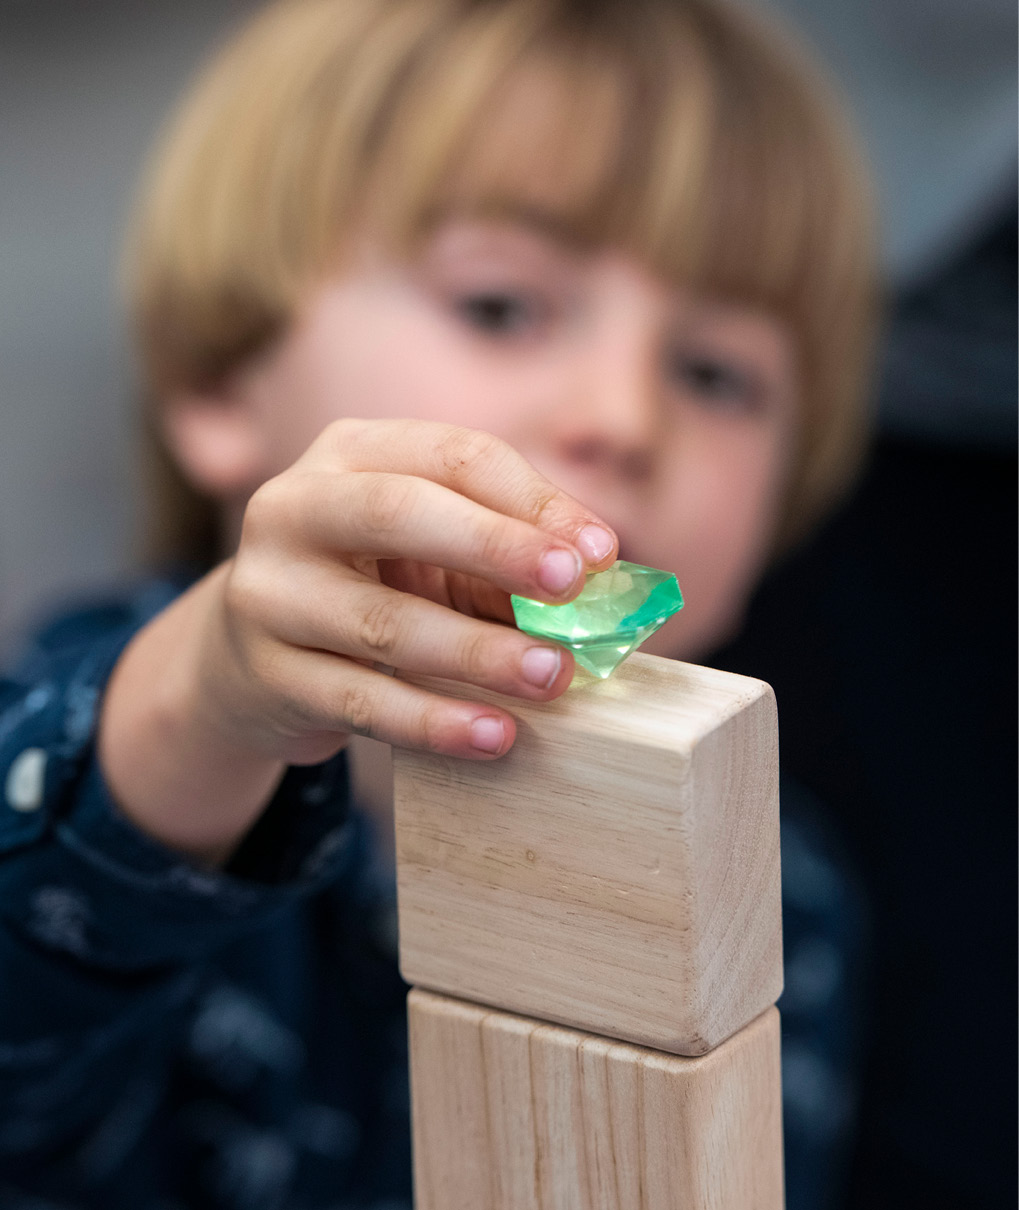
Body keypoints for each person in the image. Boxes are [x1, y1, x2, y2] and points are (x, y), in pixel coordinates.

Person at [0, 0, 876, 1206]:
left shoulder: (784, 882)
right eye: (501, 307)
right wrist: (205, 695)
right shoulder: (90, 714)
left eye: (715, 372)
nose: (623, 415)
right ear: (220, 370)